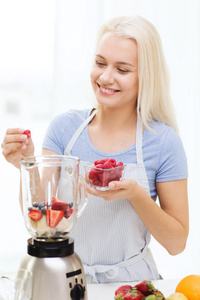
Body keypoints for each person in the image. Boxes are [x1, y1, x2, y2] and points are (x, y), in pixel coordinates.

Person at [1, 16, 189, 284]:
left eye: (122, 69)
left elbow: (177, 243)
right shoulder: (64, 129)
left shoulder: (163, 142)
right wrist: (27, 164)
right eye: (100, 63)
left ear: (145, 76)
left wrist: (136, 195)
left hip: (132, 285)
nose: (105, 77)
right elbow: (45, 225)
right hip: (66, 279)